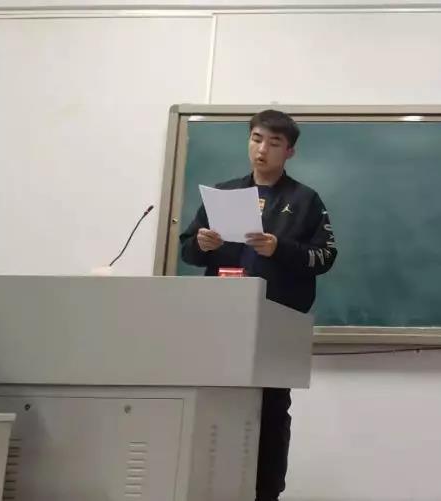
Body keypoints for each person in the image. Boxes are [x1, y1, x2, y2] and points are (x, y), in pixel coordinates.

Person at [179, 109, 337, 501]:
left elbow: (326, 256)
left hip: (275, 326)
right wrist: (201, 244)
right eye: (256, 139)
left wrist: (279, 248)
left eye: (274, 142)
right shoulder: (224, 194)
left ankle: (266, 493)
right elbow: (187, 251)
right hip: (221, 323)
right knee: (213, 408)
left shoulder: (305, 200)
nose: (262, 149)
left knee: (270, 412)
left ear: (289, 151)